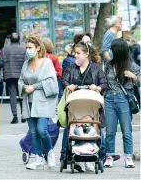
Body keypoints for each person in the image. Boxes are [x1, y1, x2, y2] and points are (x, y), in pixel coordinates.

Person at [60, 41, 107, 172]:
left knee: (96, 127)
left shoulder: (96, 69)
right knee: (69, 128)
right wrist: (68, 86)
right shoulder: (71, 68)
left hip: (91, 108)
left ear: (86, 54)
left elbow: (104, 83)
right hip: (75, 108)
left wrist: (97, 87)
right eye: (75, 53)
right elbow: (64, 80)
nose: (75, 55)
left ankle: (97, 155)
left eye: (78, 53)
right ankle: (66, 156)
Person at [18, 37, 58, 170]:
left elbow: (52, 82)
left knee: (42, 129)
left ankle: (50, 152)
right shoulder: (26, 64)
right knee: (34, 131)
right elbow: (21, 80)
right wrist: (24, 87)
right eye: (27, 48)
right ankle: (38, 158)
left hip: (42, 102)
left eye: (30, 48)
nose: (28, 50)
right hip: (28, 102)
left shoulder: (46, 62)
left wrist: (34, 87)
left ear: (38, 48)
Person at [103, 39, 140, 168]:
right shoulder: (108, 65)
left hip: (124, 99)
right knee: (110, 130)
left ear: (119, 51)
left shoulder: (131, 65)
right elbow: (104, 82)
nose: (111, 52)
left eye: (113, 50)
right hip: (109, 99)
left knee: (126, 130)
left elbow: (139, 81)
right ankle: (109, 156)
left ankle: (128, 157)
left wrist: (133, 77)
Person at [0, 33, 26, 124]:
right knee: (22, 95)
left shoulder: (4, 50)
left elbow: (1, 64)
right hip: (21, 75)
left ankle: (15, 116)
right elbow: (26, 62)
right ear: (19, 39)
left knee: (12, 96)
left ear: (10, 39)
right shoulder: (23, 49)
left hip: (9, 75)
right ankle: (24, 115)